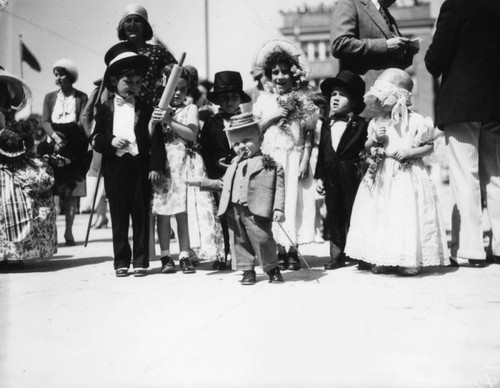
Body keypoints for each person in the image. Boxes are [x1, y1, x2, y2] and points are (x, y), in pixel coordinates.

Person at [344, 68, 449, 276]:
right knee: (382, 214)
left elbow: (429, 146)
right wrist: (375, 141)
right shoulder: (376, 123)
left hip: (406, 175)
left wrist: (409, 151)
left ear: (399, 97)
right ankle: (383, 257)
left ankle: (407, 258)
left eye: (385, 98)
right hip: (382, 174)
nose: (381, 103)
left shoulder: (416, 121)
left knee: (404, 215)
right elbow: (365, 146)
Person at [424, 0, 500, 266]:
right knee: (496, 176)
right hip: (495, 105)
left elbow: (435, 61)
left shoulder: (455, 5)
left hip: (462, 104)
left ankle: (472, 249)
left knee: (465, 175)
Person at [90, 42, 165, 277]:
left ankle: (141, 260)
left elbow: (156, 140)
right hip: (115, 169)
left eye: (137, 83)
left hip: (139, 167)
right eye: (127, 82)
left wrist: (155, 166)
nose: (133, 87)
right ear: (113, 82)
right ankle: (121, 260)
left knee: (141, 214)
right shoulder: (105, 108)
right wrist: (110, 141)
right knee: (119, 216)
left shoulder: (146, 108)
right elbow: (95, 137)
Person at [189, 113, 286, 285]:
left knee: (263, 239)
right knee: (239, 241)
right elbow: (223, 184)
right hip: (234, 210)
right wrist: (202, 183)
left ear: (260, 138)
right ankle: (247, 270)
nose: (241, 147)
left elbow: (279, 188)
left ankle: (272, 268)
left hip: (257, 210)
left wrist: (278, 208)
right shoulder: (233, 164)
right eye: (236, 144)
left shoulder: (270, 164)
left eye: (246, 140)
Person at [150, 65, 224, 275]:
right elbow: (149, 136)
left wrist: (169, 121)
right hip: (164, 166)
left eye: (182, 89)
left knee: (183, 211)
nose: (178, 93)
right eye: (173, 89)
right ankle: (166, 255)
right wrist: (156, 120)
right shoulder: (158, 108)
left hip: (183, 163)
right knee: (163, 212)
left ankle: (184, 254)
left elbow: (191, 134)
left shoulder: (189, 109)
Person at [253, 39, 318, 271]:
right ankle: (278, 250)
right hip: (272, 158)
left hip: (293, 157)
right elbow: (255, 130)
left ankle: (293, 250)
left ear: (293, 75)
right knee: (274, 204)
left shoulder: (301, 99)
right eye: (275, 73)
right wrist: (273, 116)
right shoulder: (264, 101)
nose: (279, 77)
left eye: (284, 72)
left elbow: (310, 132)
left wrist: (305, 160)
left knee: (293, 201)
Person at [0, 69, 57, 269]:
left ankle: (14, 254)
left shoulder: (17, 118)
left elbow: (24, 141)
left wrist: (7, 134)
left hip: (13, 167)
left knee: (15, 206)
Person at [314, 70, 368, 270]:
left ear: (354, 102)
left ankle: (361, 253)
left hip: (352, 174)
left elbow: (365, 150)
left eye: (342, 95)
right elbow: (322, 151)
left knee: (355, 213)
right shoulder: (327, 124)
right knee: (334, 214)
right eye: (333, 95)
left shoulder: (361, 125)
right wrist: (319, 176)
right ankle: (337, 254)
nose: (335, 98)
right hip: (331, 175)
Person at [199, 71, 251, 270]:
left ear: (240, 99)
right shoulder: (211, 123)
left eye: (234, 97)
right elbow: (205, 149)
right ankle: (223, 254)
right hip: (220, 177)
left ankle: (244, 255)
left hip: (242, 175)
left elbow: (253, 144)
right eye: (225, 97)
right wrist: (216, 163)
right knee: (222, 216)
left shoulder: (247, 120)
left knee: (241, 216)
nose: (230, 101)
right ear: (218, 100)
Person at [41, 58, 89, 246]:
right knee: (51, 192)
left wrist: (67, 141)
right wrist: (55, 137)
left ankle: (69, 232)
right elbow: (45, 121)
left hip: (73, 147)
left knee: (71, 194)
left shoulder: (81, 97)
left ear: (70, 76)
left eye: (61, 74)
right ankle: (52, 232)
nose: (58, 78)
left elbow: (82, 121)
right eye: (56, 75)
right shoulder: (50, 97)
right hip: (53, 145)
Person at [330, 0, 419, 90]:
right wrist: (385, 45)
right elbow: (339, 44)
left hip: (388, 91)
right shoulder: (349, 3)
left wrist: (408, 53)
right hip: (362, 91)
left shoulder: (387, 15)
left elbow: (390, 61)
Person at [117, 3, 177, 107]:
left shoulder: (157, 52)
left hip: (149, 111)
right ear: (123, 26)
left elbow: (180, 75)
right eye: (128, 20)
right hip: (122, 109)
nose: (132, 25)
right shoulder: (118, 53)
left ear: (145, 26)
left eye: (137, 20)